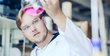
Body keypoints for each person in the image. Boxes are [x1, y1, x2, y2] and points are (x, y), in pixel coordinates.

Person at [16, 0, 93, 56]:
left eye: (35, 21)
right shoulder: (34, 53)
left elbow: (89, 51)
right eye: (26, 28)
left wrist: (57, 14)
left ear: (43, 20)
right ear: (23, 33)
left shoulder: (66, 42)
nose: (33, 29)